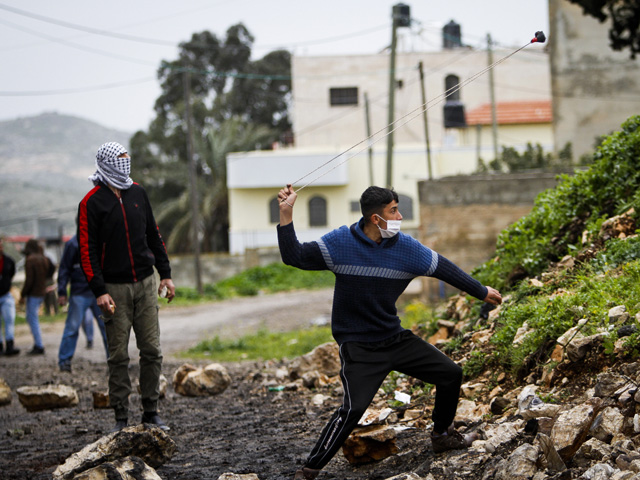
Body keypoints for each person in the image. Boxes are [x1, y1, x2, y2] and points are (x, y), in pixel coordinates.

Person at [276, 184, 502, 480]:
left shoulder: (406, 248)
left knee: (450, 373)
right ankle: (308, 471)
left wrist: (480, 290)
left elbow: (443, 267)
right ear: (375, 218)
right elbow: (295, 255)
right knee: (352, 410)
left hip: (395, 339)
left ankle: (442, 435)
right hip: (358, 347)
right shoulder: (340, 243)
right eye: (393, 210)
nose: (400, 215)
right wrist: (286, 213)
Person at [78, 141, 176, 433]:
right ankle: (121, 416)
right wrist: (99, 290)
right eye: (119, 159)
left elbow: (153, 235)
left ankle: (150, 411)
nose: (125, 162)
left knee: (152, 350)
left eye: (126, 158)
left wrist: (166, 274)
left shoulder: (138, 192)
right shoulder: (91, 203)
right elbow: (88, 251)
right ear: (106, 164)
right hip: (114, 288)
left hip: (146, 283)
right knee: (118, 355)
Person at [57, 233, 109, 372]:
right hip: (80, 292)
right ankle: (64, 361)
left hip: (100, 292)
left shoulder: (100, 240)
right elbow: (64, 269)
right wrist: (62, 291)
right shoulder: (73, 244)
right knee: (72, 327)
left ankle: (115, 360)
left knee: (108, 327)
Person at [20, 238, 53, 355]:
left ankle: (38, 345)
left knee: (32, 319)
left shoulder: (30, 260)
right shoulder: (44, 259)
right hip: (42, 292)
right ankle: (38, 344)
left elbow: (29, 280)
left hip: (33, 294)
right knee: (34, 319)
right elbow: (51, 270)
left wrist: (22, 294)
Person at [0, 237, 20, 356]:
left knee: (9, 320)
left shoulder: (8, 261)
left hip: (6, 295)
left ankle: (10, 344)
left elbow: (12, 273)